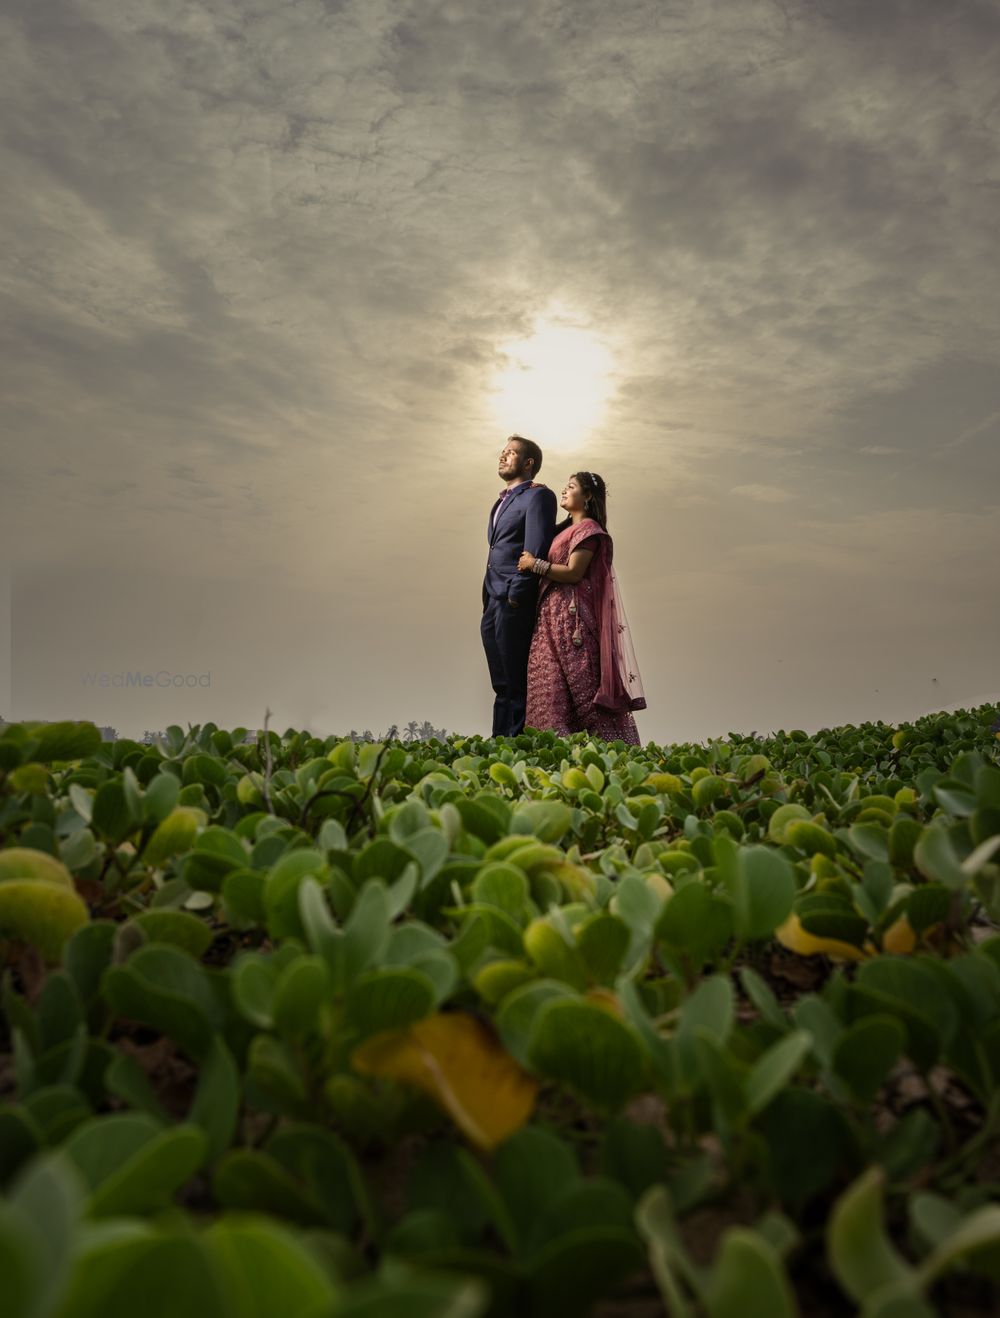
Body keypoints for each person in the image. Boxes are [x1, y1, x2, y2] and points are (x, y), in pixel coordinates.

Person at [517, 470, 646, 743]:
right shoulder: (564, 531)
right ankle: (554, 765)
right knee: (548, 692)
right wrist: (530, 490)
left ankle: (611, 760)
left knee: (585, 694)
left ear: (587, 496)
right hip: (548, 620)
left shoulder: (589, 530)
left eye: (571, 486)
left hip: (572, 624)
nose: (564, 490)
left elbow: (574, 573)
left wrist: (534, 565)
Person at [481, 435, 558, 737]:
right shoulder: (500, 501)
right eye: (502, 451)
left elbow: (535, 547)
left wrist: (516, 595)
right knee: (500, 682)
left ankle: (514, 744)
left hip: (512, 599)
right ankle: (497, 744)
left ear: (528, 463)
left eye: (511, 453)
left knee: (515, 680)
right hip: (492, 598)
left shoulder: (538, 496)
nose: (503, 456)